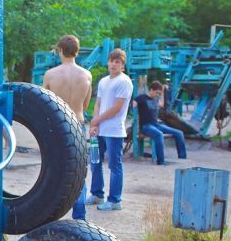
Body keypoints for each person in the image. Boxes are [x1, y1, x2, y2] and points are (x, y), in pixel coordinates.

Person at [43, 34, 92, 220]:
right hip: (77, 124)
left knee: (54, 169)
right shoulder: (86, 75)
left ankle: (50, 215)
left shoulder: (50, 74)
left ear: (60, 50)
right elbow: (86, 106)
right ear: (77, 52)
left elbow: (45, 104)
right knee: (79, 170)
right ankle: (80, 216)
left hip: (57, 125)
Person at [86, 49, 133, 211]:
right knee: (95, 162)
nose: (113, 64)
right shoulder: (104, 81)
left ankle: (114, 201)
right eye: (111, 61)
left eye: (117, 62)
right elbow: (98, 103)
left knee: (114, 165)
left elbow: (117, 108)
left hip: (114, 131)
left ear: (122, 65)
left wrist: (97, 120)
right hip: (100, 129)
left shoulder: (124, 81)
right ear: (107, 62)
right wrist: (94, 124)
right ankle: (97, 194)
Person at [134, 81, 186, 165]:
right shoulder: (142, 98)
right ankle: (161, 161)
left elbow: (161, 104)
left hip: (156, 125)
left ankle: (182, 157)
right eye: (156, 93)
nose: (157, 95)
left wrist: (163, 92)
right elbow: (132, 104)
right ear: (151, 90)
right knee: (159, 135)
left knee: (179, 133)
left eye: (159, 93)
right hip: (146, 126)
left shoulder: (156, 99)